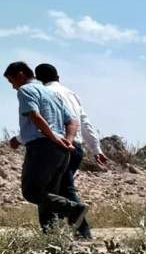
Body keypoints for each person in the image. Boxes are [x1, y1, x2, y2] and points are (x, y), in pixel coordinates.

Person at [4, 61, 87, 232]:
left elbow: (34, 115)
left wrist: (53, 137)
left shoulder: (26, 90)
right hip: (61, 151)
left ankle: (74, 209)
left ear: (20, 75)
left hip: (42, 148)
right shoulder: (51, 94)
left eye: (12, 81)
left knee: (32, 192)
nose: (13, 87)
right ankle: (51, 235)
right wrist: (68, 141)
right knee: (48, 194)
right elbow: (72, 120)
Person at [33, 64, 108, 239]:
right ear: (58, 77)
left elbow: (41, 122)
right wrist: (96, 149)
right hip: (76, 148)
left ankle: (68, 233)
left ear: (38, 79)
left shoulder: (45, 94)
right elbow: (85, 122)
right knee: (61, 189)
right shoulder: (72, 94)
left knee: (49, 189)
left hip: (57, 145)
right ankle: (67, 233)